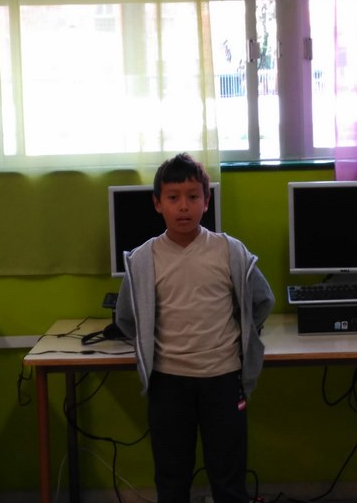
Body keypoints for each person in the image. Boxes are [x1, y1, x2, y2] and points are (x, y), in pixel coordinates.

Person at [115, 153, 275, 503]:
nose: (183, 206)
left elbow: (262, 301)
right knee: (172, 479)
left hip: (223, 379)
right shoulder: (143, 259)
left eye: (192, 196)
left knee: (229, 478)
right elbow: (126, 317)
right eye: (173, 197)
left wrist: (243, 336)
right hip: (168, 383)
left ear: (207, 200)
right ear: (157, 203)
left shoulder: (230, 251)